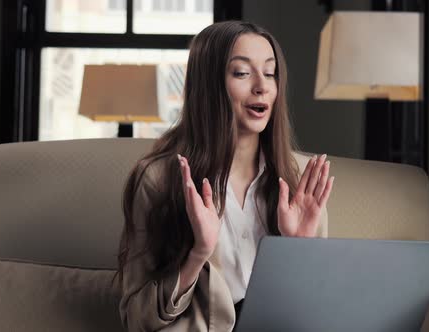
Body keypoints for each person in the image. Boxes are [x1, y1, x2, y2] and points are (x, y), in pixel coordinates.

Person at [114, 20, 335, 332]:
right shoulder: (159, 180)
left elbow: (320, 313)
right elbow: (137, 319)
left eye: (270, 72)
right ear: (209, 85)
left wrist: (298, 249)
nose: (262, 86)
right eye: (242, 73)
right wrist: (198, 253)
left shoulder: (301, 180)